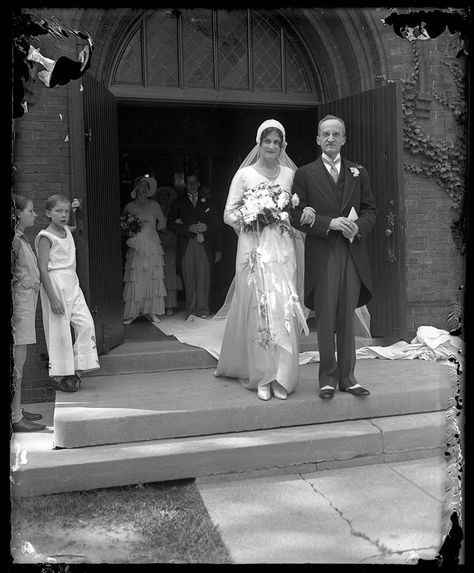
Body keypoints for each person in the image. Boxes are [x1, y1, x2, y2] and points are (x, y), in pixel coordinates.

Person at [214, 119, 309, 401]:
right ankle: (262, 376)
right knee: (259, 309)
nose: (271, 147)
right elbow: (228, 213)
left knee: (283, 308)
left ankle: (283, 376)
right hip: (253, 251)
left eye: (276, 142)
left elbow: (297, 210)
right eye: (266, 141)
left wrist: (282, 216)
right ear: (259, 143)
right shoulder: (244, 175)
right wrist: (253, 217)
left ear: (282, 146)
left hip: (282, 250)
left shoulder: (291, 175)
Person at [291, 114, 378, 400]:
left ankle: (349, 378)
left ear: (343, 139)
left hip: (351, 251)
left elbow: (370, 211)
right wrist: (329, 223)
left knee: (346, 316)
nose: (330, 139)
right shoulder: (304, 173)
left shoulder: (358, 172)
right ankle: (327, 378)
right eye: (325, 134)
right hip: (324, 251)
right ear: (318, 139)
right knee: (326, 316)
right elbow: (295, 215)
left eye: (336, 134)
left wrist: (358, 226)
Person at [35, 195, 100, 392]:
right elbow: (42, 268)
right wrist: (53, 298)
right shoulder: (46, 237)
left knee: (86, 324)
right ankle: (59, 377)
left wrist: (76, 210)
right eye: (58, 211)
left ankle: (77, 371)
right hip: (55, 284)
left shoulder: (66, 230)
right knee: (59, 331)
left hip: (72, 283)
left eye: (66, 212)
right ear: (48, 213)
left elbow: (76, 228)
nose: (63, 215)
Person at [11, 194, 46, 432]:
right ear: (17, 214)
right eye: (31, 211)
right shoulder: (14, 241)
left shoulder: (20, 238)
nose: (34, 214)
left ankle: (17, 410)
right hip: (19, 306)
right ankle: (15, 417)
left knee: (19, 362)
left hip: (26, 302)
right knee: (17, 364)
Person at [167, 173, 219, 319]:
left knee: (204, 275)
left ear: (198, 184)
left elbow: (217, 225)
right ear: (185, 185)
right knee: (189, 276)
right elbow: (170, 223)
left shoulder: (208, 202)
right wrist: (187, 228)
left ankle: (203, 309)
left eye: (194, 182)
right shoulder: (179, 202)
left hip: (204, 244)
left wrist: (206, 227)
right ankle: (191, 310)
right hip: (187, 243)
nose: (192, 185)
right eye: (189, 183)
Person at [122, 175, 167, 324]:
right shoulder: (129, 206)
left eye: (145, 188)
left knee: (153, 277)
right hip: (136, 245)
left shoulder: (155, 205)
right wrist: (132, 230)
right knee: (136, 278)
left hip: (153, 245)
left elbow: (162, 224)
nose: (142, 191)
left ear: (149, 190)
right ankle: (133, 313)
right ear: (135, 189)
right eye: (139, 188)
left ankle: (151, 311)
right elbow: (124, 226)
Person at [156, 185, 179, 316]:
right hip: (157, 241)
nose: (163, 198)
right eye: (160, 196)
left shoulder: (173, 210)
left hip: (171, 240)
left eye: (165, 196)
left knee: (170, 271)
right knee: (159, 272)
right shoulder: (154, 209)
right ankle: (159, 304)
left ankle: (170, 304)